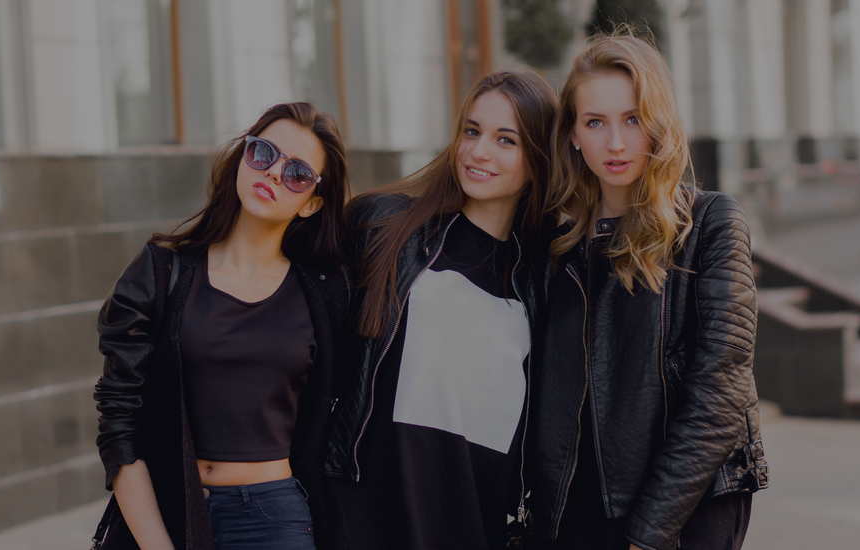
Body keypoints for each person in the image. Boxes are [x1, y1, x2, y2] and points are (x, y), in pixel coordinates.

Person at [524, 31, 769, 550]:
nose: (616, 143)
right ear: (573, 134)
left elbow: (721, 390)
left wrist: (650, 533)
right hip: (578, 514)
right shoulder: (557, 249)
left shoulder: (709, 223)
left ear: (659, 123)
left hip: (686, 508)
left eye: (633, 119)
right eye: (595, 122)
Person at [93, 102, 350, 550]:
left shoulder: (326, 296)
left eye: (297, 173)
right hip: (171, 510)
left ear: (312, 202)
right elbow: (119, 424)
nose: (274, 173)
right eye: (264, 153)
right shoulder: (161, 272)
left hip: (273, 522)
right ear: (243, 157)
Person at [323, 71, 557, 550]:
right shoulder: (383, 227)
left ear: (539, 159)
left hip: (474, 527)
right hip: (361, 522)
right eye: (472, 131)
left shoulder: (548, 281)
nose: (478, 151)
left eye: (505, 140)